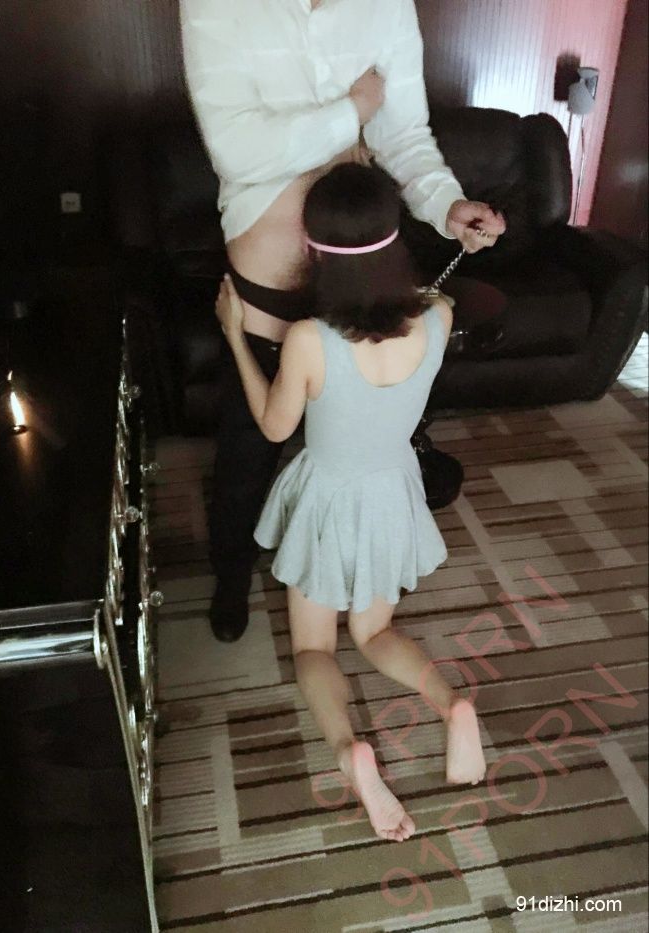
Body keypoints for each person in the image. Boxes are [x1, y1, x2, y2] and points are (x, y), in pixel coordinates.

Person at [181, 0, 506, 641]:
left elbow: (404, 135)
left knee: (361, 441)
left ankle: (359, 567)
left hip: (364, 272)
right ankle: (232, 570)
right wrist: (352, 113)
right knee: (251, 442)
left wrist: (447, 205)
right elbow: (237, 151)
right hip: (270, 286)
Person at [214, 164, 486, 841]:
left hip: (329, 502)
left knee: (315, 648)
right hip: (393, 491)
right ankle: (453, 706)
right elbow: (422, 298)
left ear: (314, 249)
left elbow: (274, 426)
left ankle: (349, 750)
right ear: (394, 239)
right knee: (375, 632)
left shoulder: (310, 339)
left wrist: (234, 335)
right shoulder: (439, 315)